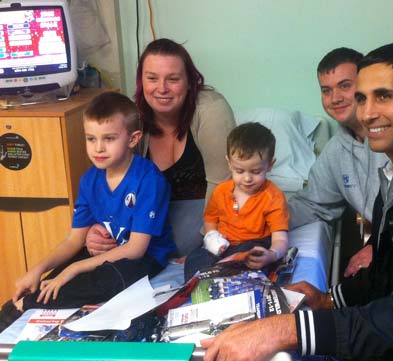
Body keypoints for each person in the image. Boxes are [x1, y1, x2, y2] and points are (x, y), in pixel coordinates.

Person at [201, 43, 393, 361]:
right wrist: (328, 299)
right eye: (362, 98)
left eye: (383, 96)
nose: (367, 113)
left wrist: (287, 329)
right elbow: (388, 273)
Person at [0, 91, 175, 332]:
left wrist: (75, 269)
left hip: (143, 258)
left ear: (133, 139)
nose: (98, 148)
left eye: (109, 138)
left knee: (90, 281)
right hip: (110, 251)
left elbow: (136, 249)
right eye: (91, 139)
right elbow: (74, 240)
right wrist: (37, 270)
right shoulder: (89, 180)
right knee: (51, 279)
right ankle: (13, 311)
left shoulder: (149, 180)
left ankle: (21, 308)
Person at [85, 38, 236, 258]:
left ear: (189, 82)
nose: (162, 89)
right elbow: (106, 179)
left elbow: (223, 185)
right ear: (141, 81)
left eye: (173, 79)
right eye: (152, 78)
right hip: (146, 210)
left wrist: (207, 242)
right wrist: (96, 228)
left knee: (167, 248)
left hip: (204, 208)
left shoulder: (211, 109)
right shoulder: (130, 117)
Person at [288, 47, 388, 277]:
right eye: (326, 90)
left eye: (345, 86)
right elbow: (314, 203)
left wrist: (379, 247)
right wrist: (264, 217)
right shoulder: (336, 149)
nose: (335, 98)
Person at [184, 122, 289, 281]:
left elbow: (280, 239)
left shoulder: (273, 197)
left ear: (270, 165)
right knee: (194, 257)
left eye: (256, 172)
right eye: (239, 171)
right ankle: (201, 286)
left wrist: (272, 255)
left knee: (254, 254)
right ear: (229, 163)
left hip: (251, 244)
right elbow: (210, 218)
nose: (247, 179)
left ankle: (229, 277)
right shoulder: (221, 191)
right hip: (224, 245)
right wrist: (212, 236)